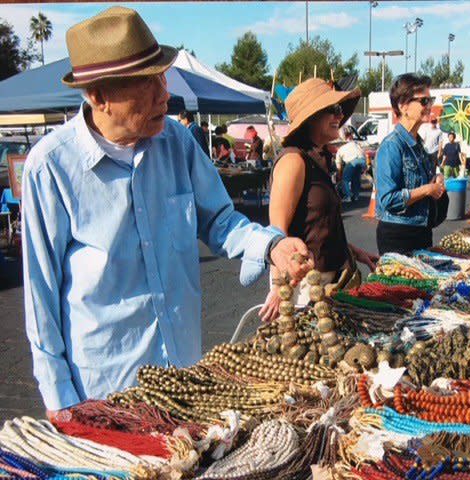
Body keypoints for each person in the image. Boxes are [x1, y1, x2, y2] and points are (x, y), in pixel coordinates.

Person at [21, 6, 312, 418]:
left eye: (162, 76)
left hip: (183, 375)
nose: (164, 94)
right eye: (146, 83)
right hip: (106, 394)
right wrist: (63, 404)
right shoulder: (50, 166)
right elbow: (41, 296)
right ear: (98, 95)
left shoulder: (176, 141)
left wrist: (272, 247)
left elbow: (219, 221)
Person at [259, 78, 378, 321]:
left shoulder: (317, 159)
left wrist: (353, 251)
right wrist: (278, 288)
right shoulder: (294, 161)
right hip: (301, 286)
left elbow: (318, 224)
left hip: (327, 282)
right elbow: (277, 234)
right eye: (332, 110)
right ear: (310, 118)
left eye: (339, 110)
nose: (339, 115)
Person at [375, 73, 447, 255]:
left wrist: (436, 180)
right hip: (398, 235)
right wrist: (426, 190)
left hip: (421, 230)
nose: (429, 106)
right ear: (403, 106)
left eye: (431, 100)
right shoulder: (391, 146)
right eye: (424, 101)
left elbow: (423, 182)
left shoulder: (418, 144)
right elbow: (387, 199)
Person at [335, 129, 366, 202]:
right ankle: (356, 196)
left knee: (345, 180)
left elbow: (339, 166)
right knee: (356, 179)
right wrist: (365, 166)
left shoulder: (340, 150)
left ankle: (348, 196)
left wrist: (339, 176)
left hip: (352, 162)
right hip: (362, 160)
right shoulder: (355, 144)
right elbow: (363, 153)